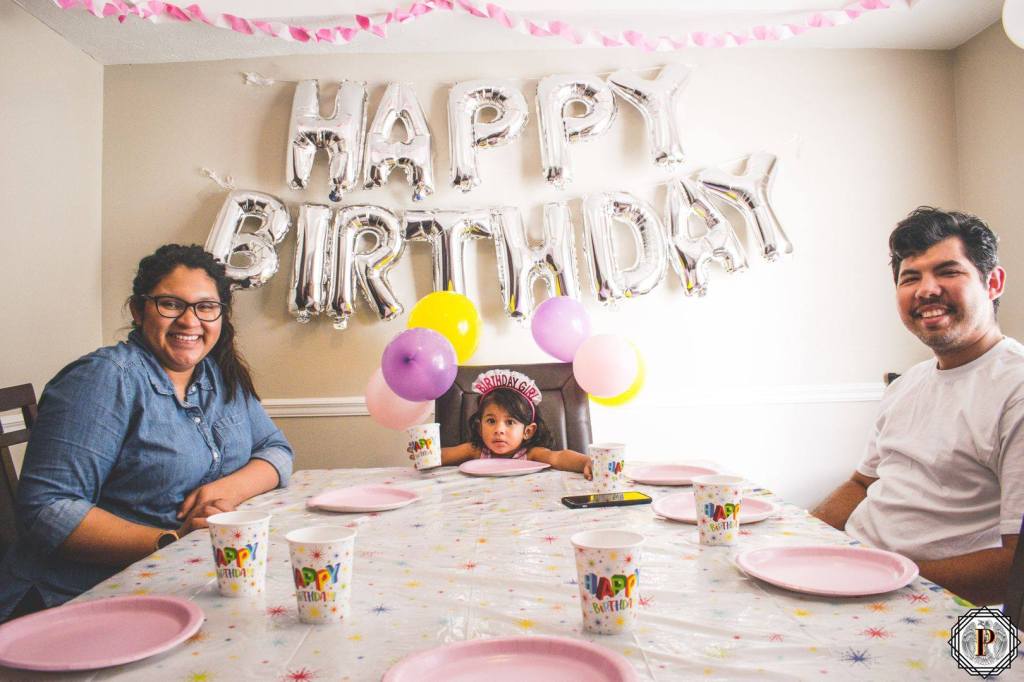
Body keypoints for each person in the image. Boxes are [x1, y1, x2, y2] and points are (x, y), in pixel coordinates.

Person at [0, 244, 293, 622]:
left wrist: (228, 490)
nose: (190, 320)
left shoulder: (219, 375)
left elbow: (275, 449)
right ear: (138, 311)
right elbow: (47, 509)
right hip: (79, 598)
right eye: (171, 304)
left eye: (206, 307)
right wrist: (172, 541)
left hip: (182, 581)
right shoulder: (103, 379)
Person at [812, 207, 1022, 606]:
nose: (926, 290)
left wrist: (885, 577)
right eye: (910, 278)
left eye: (948, 271)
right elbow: (861, 484)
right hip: (856, 575)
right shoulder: (907, 383)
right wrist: (806, 539)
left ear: (993, 283)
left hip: (926, 603)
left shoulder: (1016, 389)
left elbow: (1016, 567)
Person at [435, 369, 592, 479]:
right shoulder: (476, 450)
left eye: (510, 422)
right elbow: (439, 456)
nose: (499, 430)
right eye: (491, 421)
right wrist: (425, 452)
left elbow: (559, 457)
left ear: (528, 431)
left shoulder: (531, 454)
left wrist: (586, 462)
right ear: (480, 427)